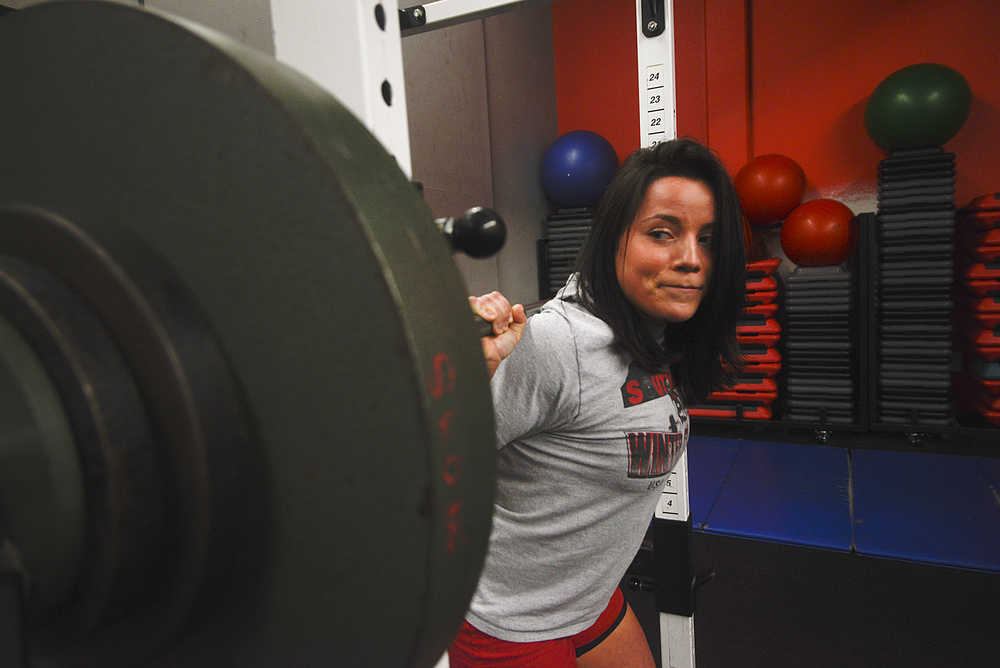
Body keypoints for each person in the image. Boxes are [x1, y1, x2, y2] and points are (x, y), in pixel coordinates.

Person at [461, 138, 746, 667]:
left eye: (708, 239)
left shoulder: (658, 333)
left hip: (588, 600)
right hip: (509, 623)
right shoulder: (555, 346)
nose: (691, 259)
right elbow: (416, 472)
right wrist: (464, 385)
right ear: (614, 236)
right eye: (662, 233)